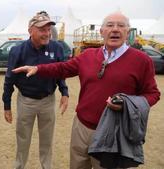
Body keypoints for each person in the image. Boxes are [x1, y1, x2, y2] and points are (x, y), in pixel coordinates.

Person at [12, 12, 160, 169]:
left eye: (121, 25)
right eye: (110, 25)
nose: (115, 29)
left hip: (114, 132)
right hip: (81, 127)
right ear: (101, 31)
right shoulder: (88, 55)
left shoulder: (141, 60)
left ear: (128, 32)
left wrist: (128, 105)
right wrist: (38, 68)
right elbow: (63, 68)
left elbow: (153, 94)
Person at [2, 11, 69, 169]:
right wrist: (7, 105)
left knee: (47, 140)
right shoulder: (17, 51)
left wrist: (64, 92)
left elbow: (60, 73)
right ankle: (19, 166)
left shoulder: (57, 48)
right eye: (42, 30)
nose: (46, 33)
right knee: (23, 138)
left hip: (48, 100)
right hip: (26, 101)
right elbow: (9, 80)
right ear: (30, 30)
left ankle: (46, 166)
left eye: (48, 30)